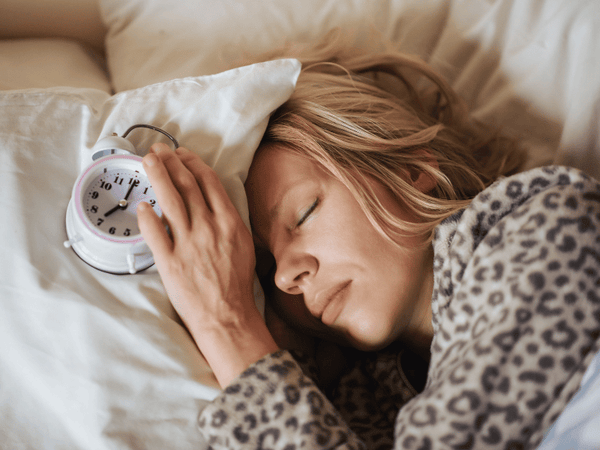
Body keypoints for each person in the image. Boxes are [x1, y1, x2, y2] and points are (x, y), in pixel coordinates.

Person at [137, 36, 600, 449]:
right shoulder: (372, 400)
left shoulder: (546, 223)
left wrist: (227, 324)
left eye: (304, 213)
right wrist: (290, 350)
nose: (284, 275)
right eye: (264, 267)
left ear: (409, 171)